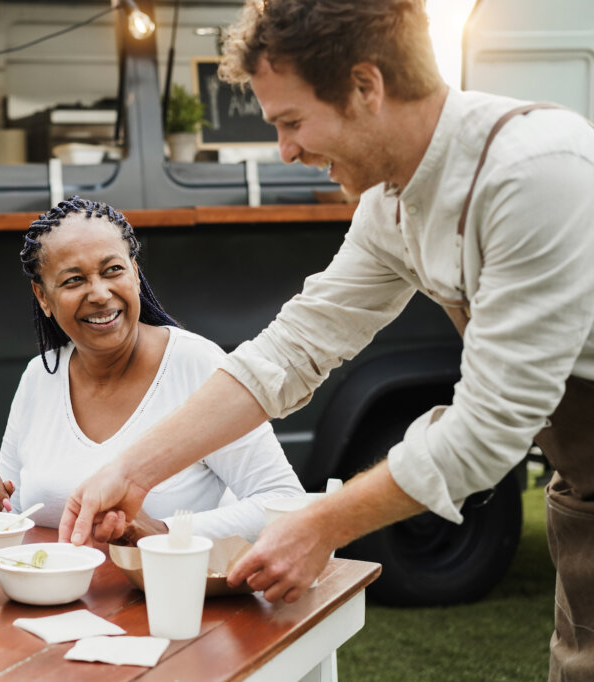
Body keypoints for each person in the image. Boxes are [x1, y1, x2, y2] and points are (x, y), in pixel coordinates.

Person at [56, 1, 594, 678]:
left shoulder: (533, 173)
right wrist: (130, 472)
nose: (285, 150)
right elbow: (291, 351)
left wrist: (320, 523)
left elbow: (489, 429)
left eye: (291, 122)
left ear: (367, 87)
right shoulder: (390, 204)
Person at [0, 196, 303, 542]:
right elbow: (16, 514)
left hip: (165, 579)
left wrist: (164, 533)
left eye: (113, 270)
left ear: (135, 273)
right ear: (43, 296)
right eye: (74, 280)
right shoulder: (39, 377)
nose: (100, 293)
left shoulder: (197, 365)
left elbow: (284, 501)